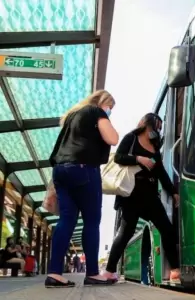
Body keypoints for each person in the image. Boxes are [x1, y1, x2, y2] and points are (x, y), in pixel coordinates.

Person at [45, 90, 119, 288]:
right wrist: (106, 119)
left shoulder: (72, 116)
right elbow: (112, 138)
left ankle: (54, 273)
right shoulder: (96, 111)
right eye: (110, 107)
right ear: (103, 103)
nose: (110, 111)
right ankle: (93, 273)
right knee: (92, 221)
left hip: (60, 171)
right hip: (83, 169)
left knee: (67, 219)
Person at [103, 113, 180, 282]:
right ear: (146, 123)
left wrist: (173, 191)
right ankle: (109, 271)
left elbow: (160, 172)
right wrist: (139, 159)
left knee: (167, 229)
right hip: (131, 194)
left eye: (159, 128)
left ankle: (175, 270)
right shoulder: (131, 138)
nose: (157, 130)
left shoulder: (155, 145)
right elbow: (118, 157)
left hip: (150, 195)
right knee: (125, 232)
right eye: (155, 126)